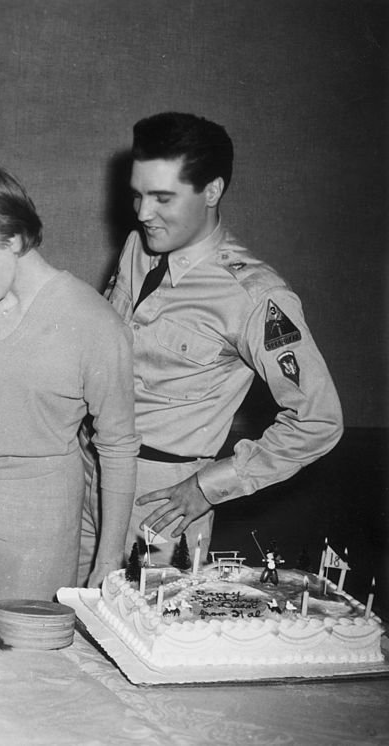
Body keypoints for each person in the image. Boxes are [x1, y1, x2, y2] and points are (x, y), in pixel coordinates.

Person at [79, 112, 343, 576]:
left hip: (159, 501)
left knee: (146, 632)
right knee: (63, 623)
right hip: (86, 469)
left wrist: (207, 487)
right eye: (138, 195)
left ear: (213, 191)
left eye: (163, 198)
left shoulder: (255, 296)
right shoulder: (138, 246)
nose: (143, 213)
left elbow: (317, 420)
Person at [0, 164, 140, 616]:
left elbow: (117, 446)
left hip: (40, 523)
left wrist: (109, 558)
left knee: (24, 671)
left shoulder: (94, 321)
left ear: (10, 237)